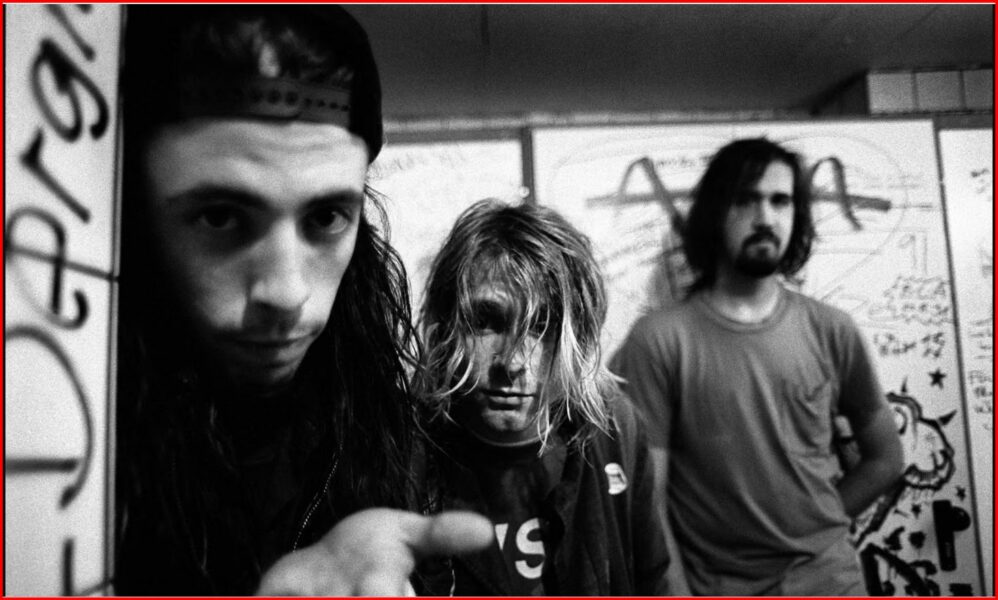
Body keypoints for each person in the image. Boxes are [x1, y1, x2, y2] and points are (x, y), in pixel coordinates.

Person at [114, 6, 489, 595]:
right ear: (131, 216)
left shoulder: (387, 432)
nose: (288, 293)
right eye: (221, 216)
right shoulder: (64, 449)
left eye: (326, 216)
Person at [610, 138, 903, 595]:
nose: (765, 217)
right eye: (745, 200)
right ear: (715, 213)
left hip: (831, 583)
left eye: (780, 201)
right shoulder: (659, 341)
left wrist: (818, 525)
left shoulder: (832, 330)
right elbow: (648, 499)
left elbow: (885, 459)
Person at [411, 200, 671, 595]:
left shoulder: (612, 425)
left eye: (542, 326)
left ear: (577, 336)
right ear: (446, 325)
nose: (512, 362)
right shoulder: (406, 450)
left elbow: (651, 578)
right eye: (486, 322)